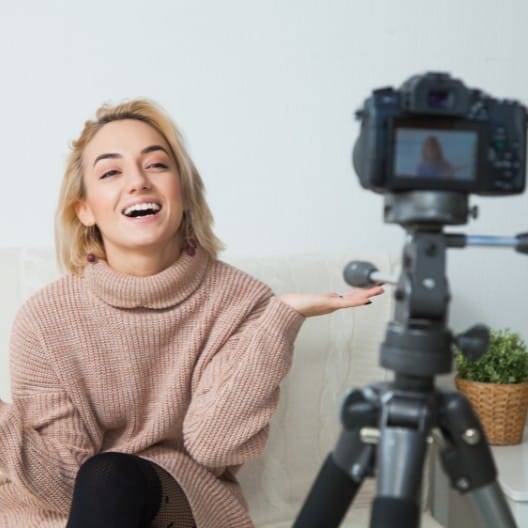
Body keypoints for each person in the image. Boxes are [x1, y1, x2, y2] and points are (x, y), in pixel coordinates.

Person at [0, 99, 383, 527]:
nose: (138, 183)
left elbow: (213, 446)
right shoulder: (44, 319)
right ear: (85, 209)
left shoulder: (240, 301)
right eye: (111, 172)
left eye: (157, 166)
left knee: (111, 475)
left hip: (179, 502)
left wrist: (279, 320)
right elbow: (62, 484)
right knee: (103, 481)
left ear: (183, 191)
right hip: (73, 510)